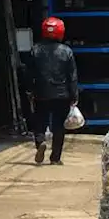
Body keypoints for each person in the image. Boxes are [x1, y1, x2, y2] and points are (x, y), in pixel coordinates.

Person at [28, 16, 79, 166]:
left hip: (41, 93)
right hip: (62, 94)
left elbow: (29, 74)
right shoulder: (67, 51)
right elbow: (72, 76)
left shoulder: (35, 50)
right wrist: (74, 94)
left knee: (40, 122)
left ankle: (41, 142)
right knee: (58, 126)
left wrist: (30, 91)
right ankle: (55, 158)